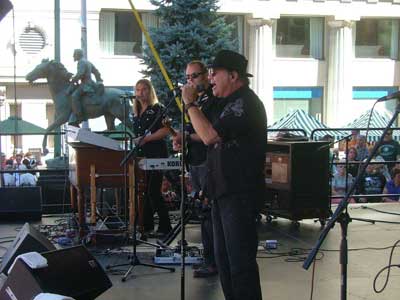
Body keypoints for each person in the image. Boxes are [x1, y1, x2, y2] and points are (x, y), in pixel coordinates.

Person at [182, 50, 266, 300]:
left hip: (240, 193)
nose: (210, 78)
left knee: (240, 263)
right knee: (225, 261)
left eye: (214, 73)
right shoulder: (224, 103)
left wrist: (189, 104)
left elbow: (209, 136)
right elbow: (204, 130)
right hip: (222, 191)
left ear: (233, 75)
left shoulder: (244, 102)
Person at [173, 60, 217, 278]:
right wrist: (182, 138)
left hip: (208, 161)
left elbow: (210, 133)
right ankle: (209, 258)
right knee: (203, 212)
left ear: (207, 77)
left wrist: (187, 136)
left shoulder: (210, 101)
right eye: (188, 77)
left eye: (195, 76)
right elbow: (193, 130)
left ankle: (213, 261)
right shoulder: (195, 101)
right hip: (196, 160)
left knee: (209, 212)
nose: (190, 81)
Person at [131, 79, 172, 237]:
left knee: (153, 191)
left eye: (144, 89)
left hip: (156, 154)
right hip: (141, 155)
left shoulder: (158, 108)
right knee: (143, 190)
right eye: (138, 90)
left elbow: (166, 130)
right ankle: (145, 225)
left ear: (150, 91)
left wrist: (146, 139)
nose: (140, 93)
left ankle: (165, 226)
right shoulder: (135, 111)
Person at [68, 48, 103, 123]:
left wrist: (73, 79)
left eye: (74, 55)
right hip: (91, 83)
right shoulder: (88, 62)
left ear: (78, 55)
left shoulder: (81, 62)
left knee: (74, 96)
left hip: (85, 85)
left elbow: (80, 74)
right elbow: (96, 72)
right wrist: (99, 81)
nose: (73, 56)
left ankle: (79, 116)